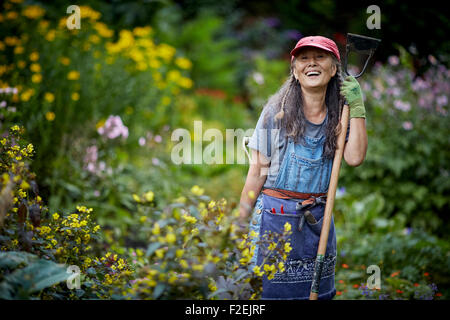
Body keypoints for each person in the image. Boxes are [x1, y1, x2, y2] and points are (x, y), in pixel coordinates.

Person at [239, 35, 368, 299]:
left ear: (334, 69)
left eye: (320, 57)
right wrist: (238, 222)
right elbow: (256, 171)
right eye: (304, 58)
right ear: (295, 70)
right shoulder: (276, 111)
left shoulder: (341, 113)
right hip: (274, 222)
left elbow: (354, 157)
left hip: (317, 221)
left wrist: (357, 108)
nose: (312, 63)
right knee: (269, 295)